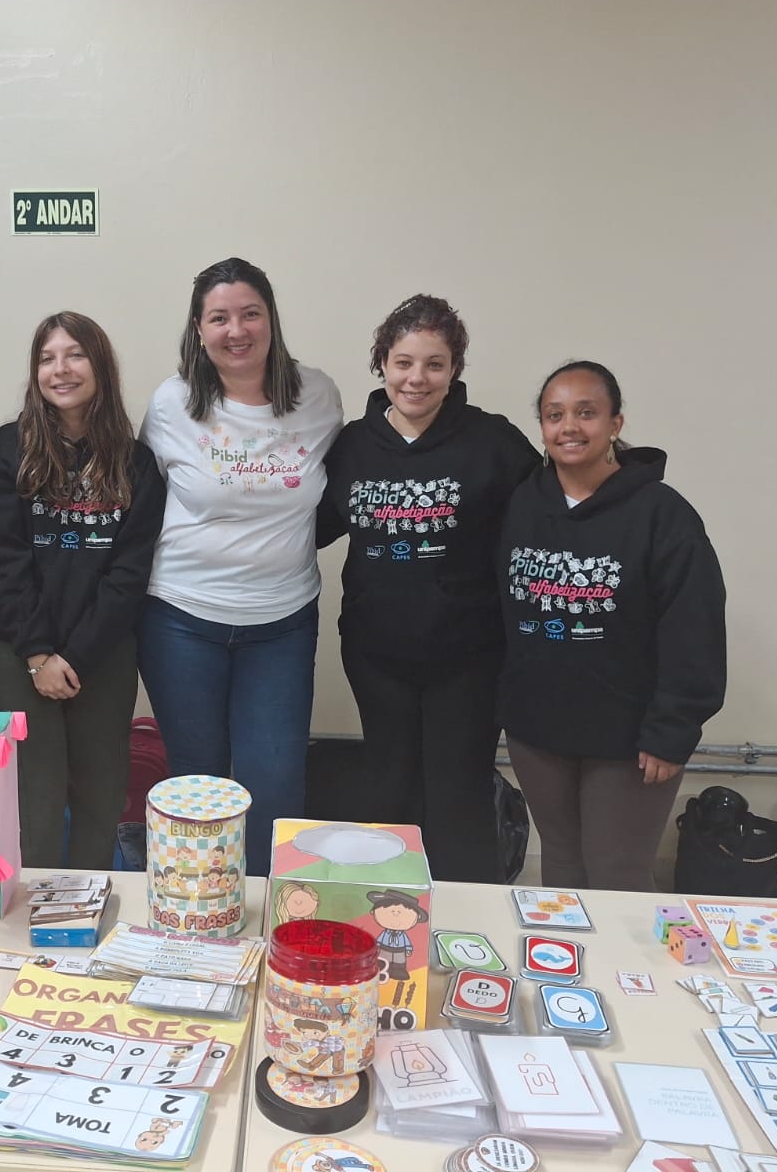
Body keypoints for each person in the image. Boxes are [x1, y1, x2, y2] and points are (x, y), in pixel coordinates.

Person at [318, 295, 538, 882]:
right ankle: (387, 911)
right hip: (376, 654)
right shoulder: (352, 446)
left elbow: (542, 526)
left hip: (468, 658)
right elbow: (308, 526)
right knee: (388, 787)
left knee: (458, 794)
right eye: (404, 362)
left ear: (454, 369)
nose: (417, 378)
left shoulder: (493, 442)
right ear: (382, 364)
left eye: (434, 364)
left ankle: (464, 920)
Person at [138, 257, 343, 872]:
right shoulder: (173, 403)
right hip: (181, 620)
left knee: (276, 784)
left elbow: (338, 490)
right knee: (196, 789)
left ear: (271, 319)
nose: (237, 330)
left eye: (250, 314)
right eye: (219, 318)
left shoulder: (318, 396)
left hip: (281, 624)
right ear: (198, 329)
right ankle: (198, 913)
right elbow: (142, 500)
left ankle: (271, 911)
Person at [499, 360, 726, 892]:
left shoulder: (662, 514)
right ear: (542, 426)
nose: (569, 427)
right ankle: (562, 953)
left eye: (587, 413)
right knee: (560, 866)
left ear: (615, 423)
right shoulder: (522, 504)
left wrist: (672, 730)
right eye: (555, 415)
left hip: (630, 738)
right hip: (538, 730)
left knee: (616, 875)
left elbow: (693, 627)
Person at [0, 312, 165, 869]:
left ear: (100, 366)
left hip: (101, 654)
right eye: (47, 358)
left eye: (75, 355)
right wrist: (39, 655)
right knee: (33, 803)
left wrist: (75, 655)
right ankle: (29, 912)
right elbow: (5, 560)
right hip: (19, 652)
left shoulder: (135, 462)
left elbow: (128, 575)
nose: (60, 369)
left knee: (100, 797)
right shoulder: (8, 449)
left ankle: (86, 906)